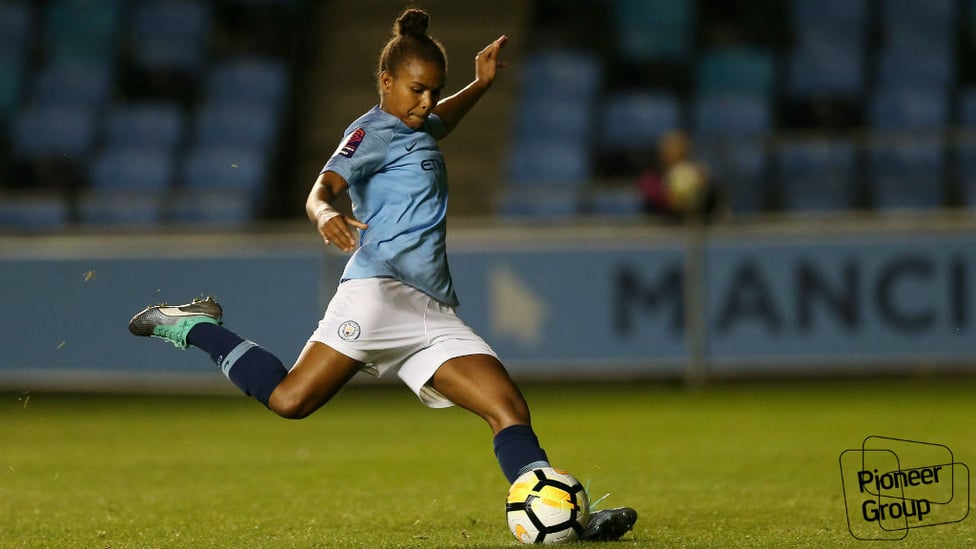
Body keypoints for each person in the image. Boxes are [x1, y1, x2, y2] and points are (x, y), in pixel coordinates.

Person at [128, 7, 637, 542]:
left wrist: (480, 85)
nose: (427, 103)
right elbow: (321, 190)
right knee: (290, 401)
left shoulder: (419, 124)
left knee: (507, 407)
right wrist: (326, 214)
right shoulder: (368, 132)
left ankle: (562, 516)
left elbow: (443, 120)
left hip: (431, 310)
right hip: (376, 294)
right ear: (386, 81)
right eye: (417, 90)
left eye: (434, 91)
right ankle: (190, 326)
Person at [637, 130, 717, 221]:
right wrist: (672, 197)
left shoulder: (698, 176)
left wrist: (704, 187)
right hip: (660, 229)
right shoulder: (651, 178)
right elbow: (651, 195)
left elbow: (712, 205)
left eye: (681, 152)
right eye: (670, 151)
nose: (675, 155)